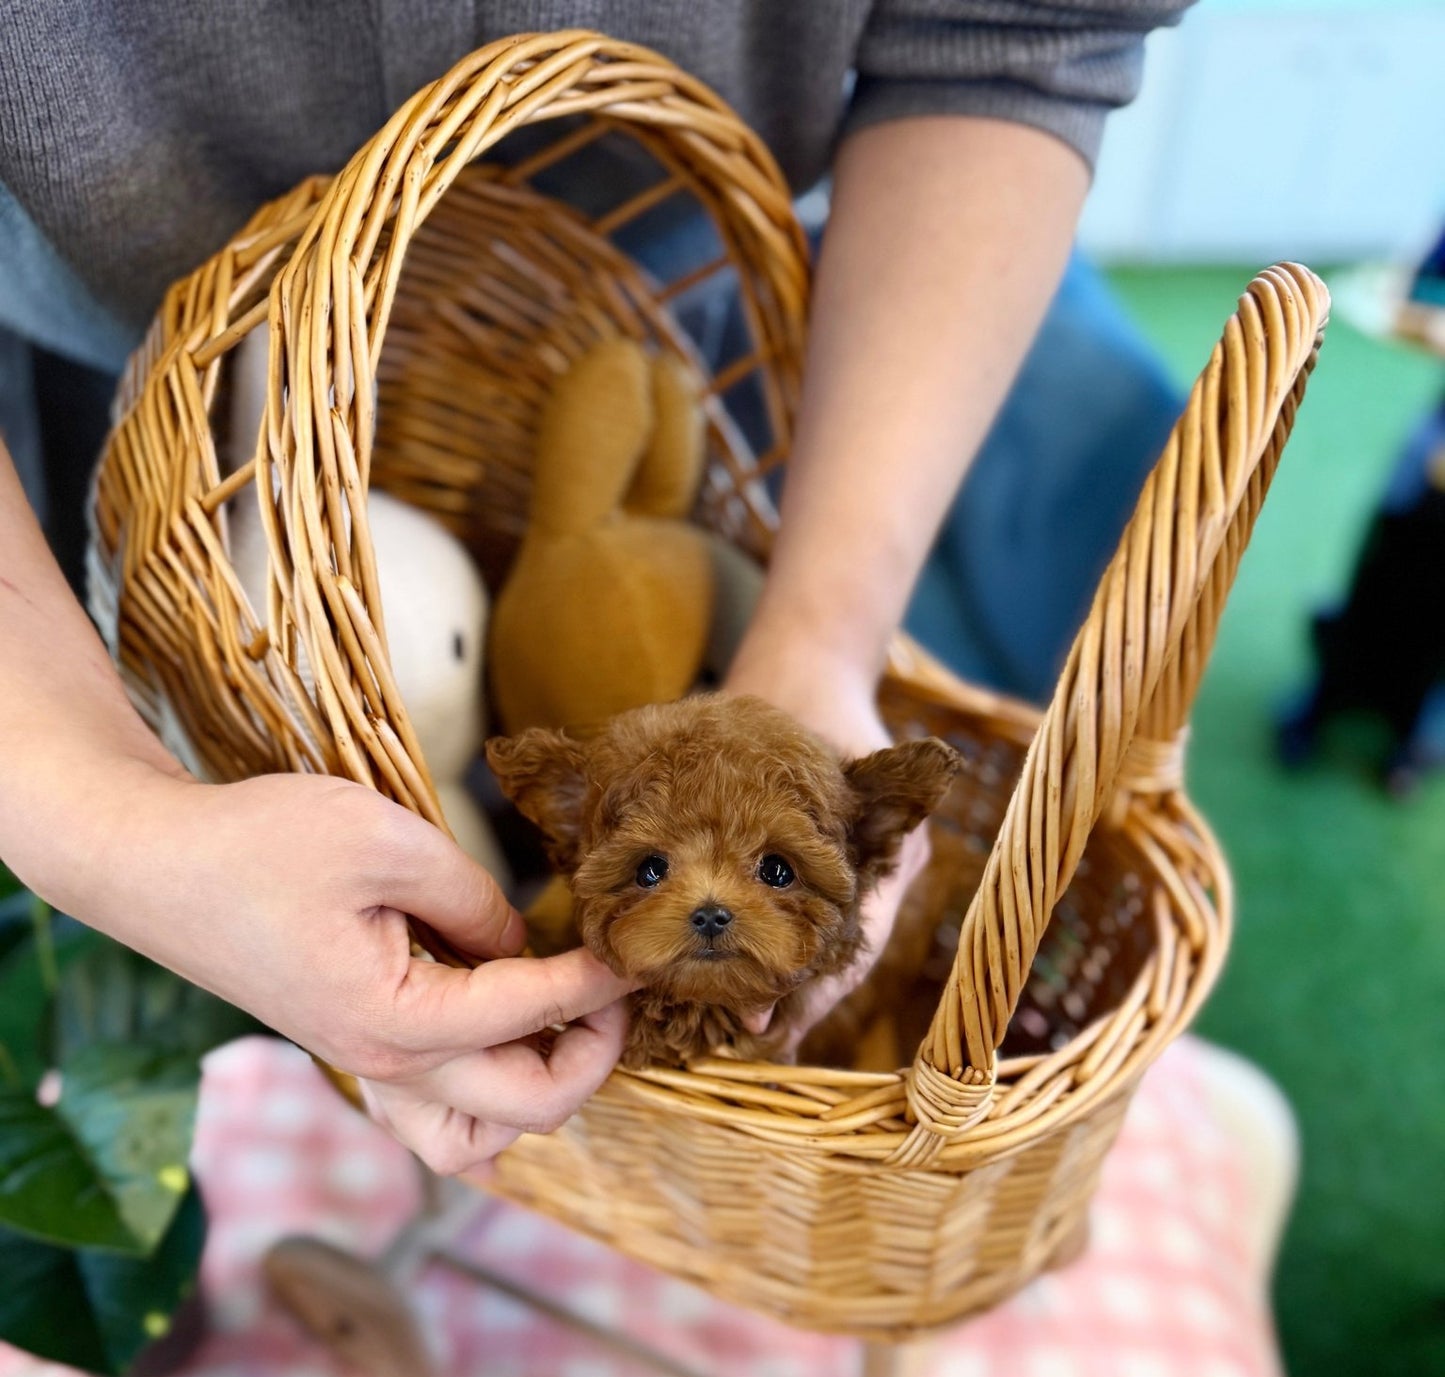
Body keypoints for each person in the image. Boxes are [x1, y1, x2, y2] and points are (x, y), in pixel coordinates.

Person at [0, 1, 1191, 1181]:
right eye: (665, 873)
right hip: (156, 366)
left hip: (700, 273)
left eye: (772, 872)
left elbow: (1017, 36)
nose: (718, 907)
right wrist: (111, 822)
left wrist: (818, 635)